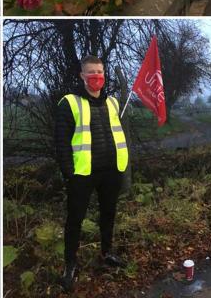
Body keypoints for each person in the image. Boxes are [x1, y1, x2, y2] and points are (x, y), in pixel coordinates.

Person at [54, 55, 129, 292]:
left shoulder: (113, 103)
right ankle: (70, 265)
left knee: (108, 215)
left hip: (111, 172)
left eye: (100, 72)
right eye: (91, 72)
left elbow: (116, 134)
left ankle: (106, 252)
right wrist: (69, 173)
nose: (97, 77)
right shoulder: (70, 103)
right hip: (82, 174)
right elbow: (61, 143)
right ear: (82, 76)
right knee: (74, 220)